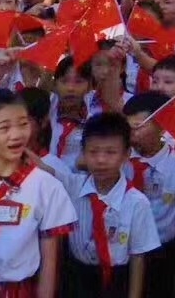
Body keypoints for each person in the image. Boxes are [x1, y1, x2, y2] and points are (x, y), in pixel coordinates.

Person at [0, 53, 77, 298]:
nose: (16, 134)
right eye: (4, 127)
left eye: (22, 123)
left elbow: (50, 264)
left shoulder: (46, 185)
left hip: (18, 291)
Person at [60, 112, 160, 298]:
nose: (101, 160)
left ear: (126, 154)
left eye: (110, 152)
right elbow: (44, 170)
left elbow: (138, 257)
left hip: (117, 279)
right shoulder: (72, 187)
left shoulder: (137, 202)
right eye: (93, 152)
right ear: (83, 152)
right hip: (77, 277)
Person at [123, 91, 175, 297]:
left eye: (139, 126)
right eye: (128, 127)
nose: (133, 134)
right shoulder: (121, 164)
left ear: (160, 125)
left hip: (164, 251)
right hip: (124, 250)